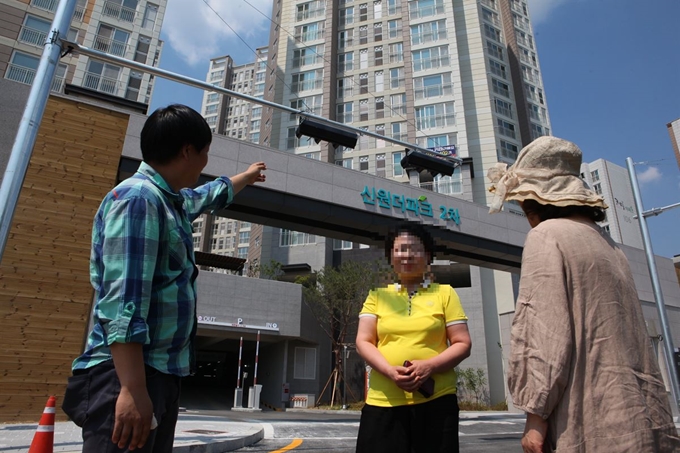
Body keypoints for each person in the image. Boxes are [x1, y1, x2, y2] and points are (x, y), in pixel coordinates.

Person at [62, 104, 266, 452]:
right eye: (204, 153)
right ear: (187, 151)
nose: (205, 162)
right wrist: (132, 389)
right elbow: (124, 301)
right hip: (129, 375)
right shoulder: (139, 200)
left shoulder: (169, 201)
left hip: (156, 375)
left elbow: (206, 196)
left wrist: (246, 176)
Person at [487, 136, 680, 453]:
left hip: (589, 416)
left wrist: (535, 417)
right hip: (642, 417)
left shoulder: (546, 235)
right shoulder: (607, 244)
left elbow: (542, 331)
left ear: (533, 200)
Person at [355, 223, 472, 453]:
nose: (407, 255)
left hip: (436, 402)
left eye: (415, 249)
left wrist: (430, 366)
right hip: (383, 402)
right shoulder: (377, 296)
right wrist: (389, 371)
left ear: (428, 255)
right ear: (391, 256)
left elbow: (462, 343)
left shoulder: (445, 293)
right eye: (400, 249)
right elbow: (363, 341)